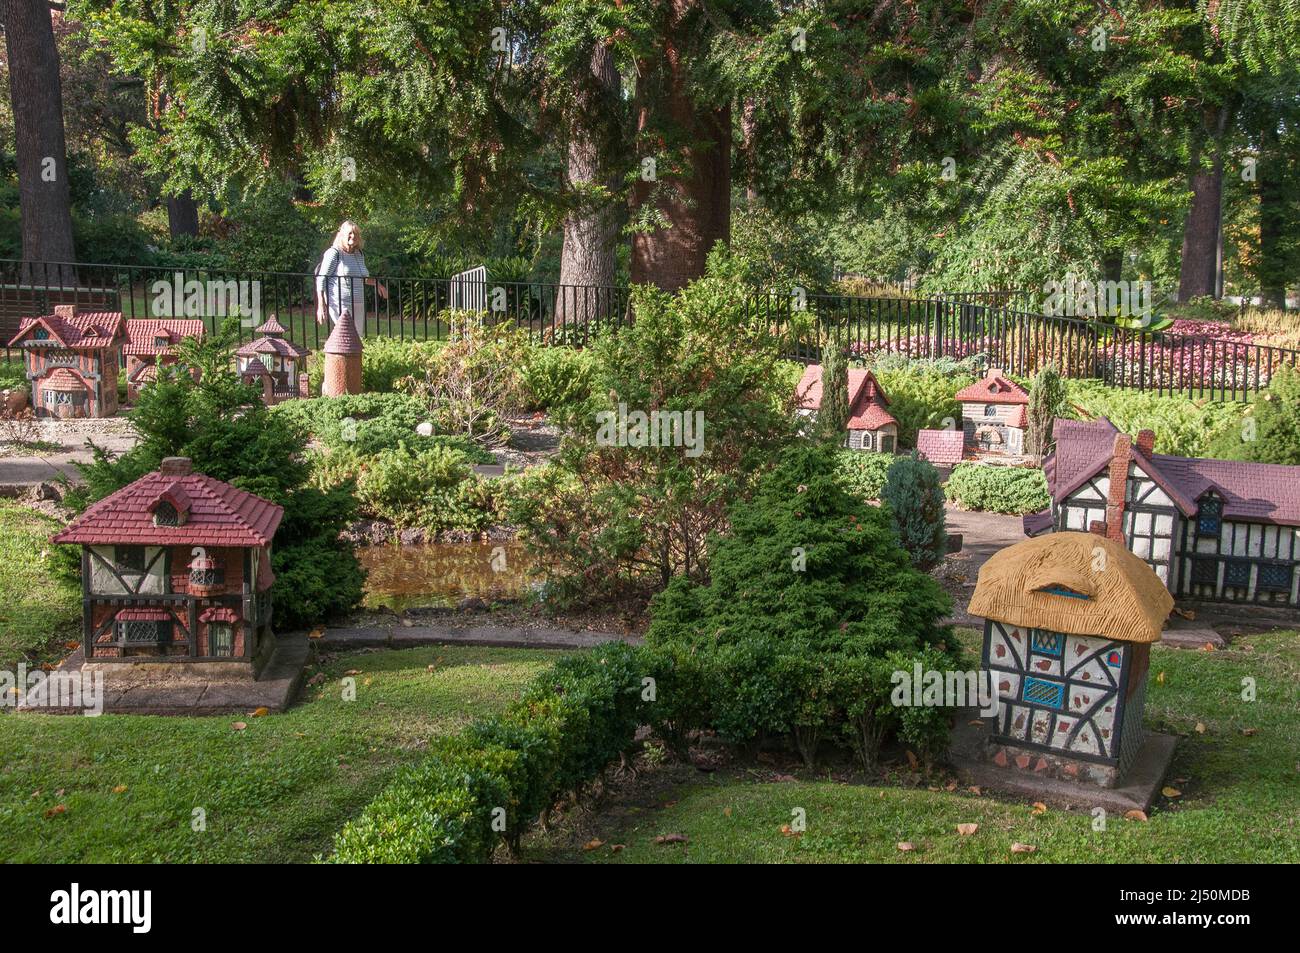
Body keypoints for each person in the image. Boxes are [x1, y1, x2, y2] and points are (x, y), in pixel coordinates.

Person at [314, 220, 387, 337]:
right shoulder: (334, 253)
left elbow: (363, 278)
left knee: (357, 338)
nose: (353, 236)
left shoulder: (359, 254)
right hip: (339, 302)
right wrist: (321, 305)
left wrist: (378, 284)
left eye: (356, 234)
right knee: (345, 337)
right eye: (350, 233)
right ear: (342, 234)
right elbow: (321, 279)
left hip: (358, 302)